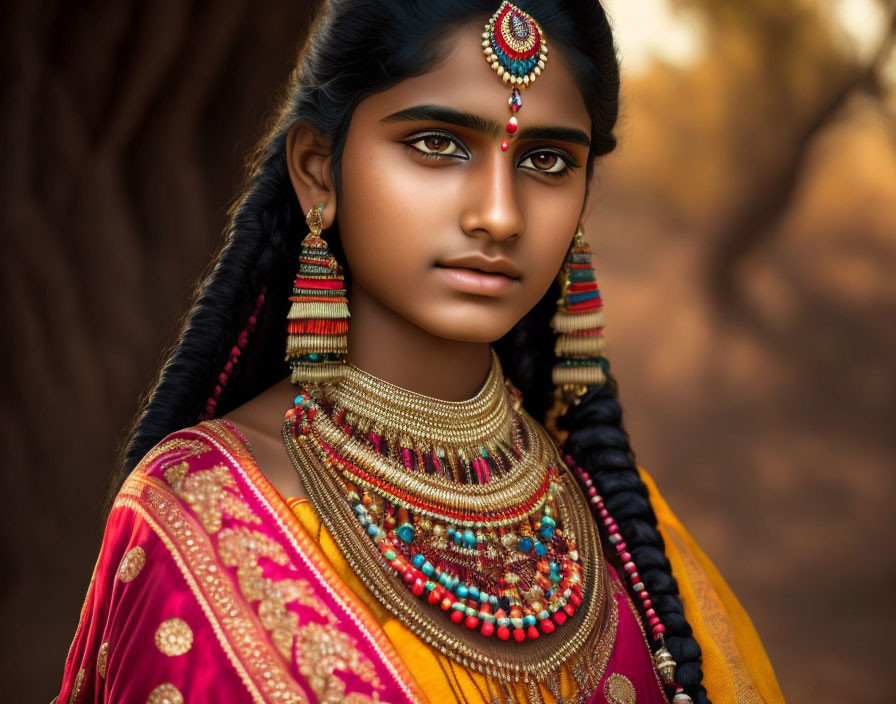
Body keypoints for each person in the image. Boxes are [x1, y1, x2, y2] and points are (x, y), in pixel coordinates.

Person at [55, 2, 785, 702]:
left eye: (549, 161)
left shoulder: (618, 528)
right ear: (317, 169)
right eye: (438, 144)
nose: (499, 215)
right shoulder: (201, 511)